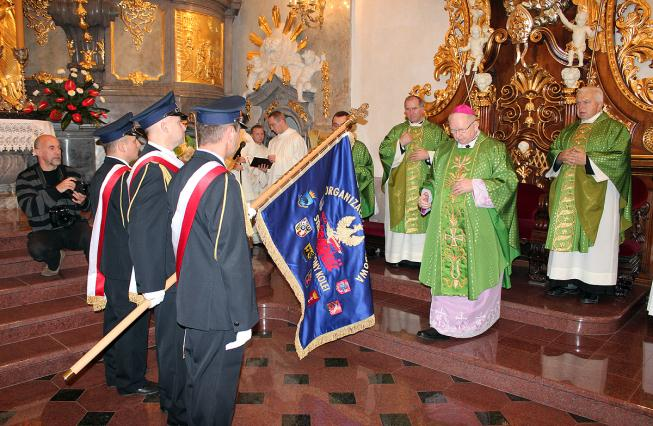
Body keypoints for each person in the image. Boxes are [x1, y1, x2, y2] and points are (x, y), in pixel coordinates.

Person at [168, 96, 258, 425]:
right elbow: (231, 256)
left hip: (192, 297)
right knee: (215, 395)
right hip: (219, 310)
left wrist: (238, 216)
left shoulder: (186, 171)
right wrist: (242, 319)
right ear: (230, 134)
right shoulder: (221, 181)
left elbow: (198, 235)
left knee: (197, 381)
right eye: (238, 131)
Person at [416, 104, 519, 340]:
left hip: (479, 228)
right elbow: (432, 179)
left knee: (477, 269)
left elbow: (509, 182)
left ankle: (475, 322)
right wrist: (427, 196)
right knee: (446, 271)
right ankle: (443, 324)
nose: (458, 135)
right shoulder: (443, 150)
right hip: (445, 229)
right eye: (453, 130)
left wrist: (476, 185)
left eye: (463, 129)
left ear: (476, 124)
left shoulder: (494, 149)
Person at [87, 113, 156, 396]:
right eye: (134, 141)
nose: (138, 147)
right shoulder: (126, 179)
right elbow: (136, 225)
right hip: (127, 264)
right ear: (124, 144)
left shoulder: (101, 174)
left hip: (110, 260)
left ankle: (114, 373)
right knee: (132, 323)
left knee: (114, 320)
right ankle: (131, 381)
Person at [129, 91, 187, 424]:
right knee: (172, 343)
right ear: (165, 125)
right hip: (166, 273)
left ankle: (176, 398)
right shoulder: (152, 167)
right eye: (179, 120)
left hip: (177, 268)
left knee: (178, 342)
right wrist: (152, 283)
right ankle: (175, 405)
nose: (183, 125)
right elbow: (145, 229)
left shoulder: (166, 161)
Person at [545, 86, 631, 304]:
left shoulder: (615, 129)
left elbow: (619, 158)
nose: (580, 107)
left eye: (586, 102)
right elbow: (553, 150)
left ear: (600, 104)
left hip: (599, 193)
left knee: (598, 236)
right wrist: (560, 156)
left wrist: (589, 160)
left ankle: (594, 285)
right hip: (567, 192)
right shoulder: (568, 131)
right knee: (566, 231)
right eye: (578, 103)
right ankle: (564, 280)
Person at [379, 95, 449, 266]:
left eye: (414, 108)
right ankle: (397, 256)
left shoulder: (436, 132)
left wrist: (429, 155)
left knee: (422, 218)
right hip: (399, 188)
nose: (411, 112)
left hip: (424, 185)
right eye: (407, 109)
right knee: (400, 219)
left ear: (423, 109)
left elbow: (448, 154)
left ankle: (420, 258)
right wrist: (400, 144)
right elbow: (383, 151)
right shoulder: (397, 131)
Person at [16, 134, 91, 276]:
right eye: (52, 148)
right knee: (37, 248)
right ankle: (55, 259)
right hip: (45, 230)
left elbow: (88, 206)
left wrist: (83, 202)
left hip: (72, 226)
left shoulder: (72, 173)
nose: (58, 152)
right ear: (36, 151)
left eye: (59, 148)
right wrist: (57, 190)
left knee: (91, 236)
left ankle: (97, 274)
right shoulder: (25, 178)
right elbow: (30, 209)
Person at [331, 111, 375, 219]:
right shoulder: (327, 147)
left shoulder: (359, 148)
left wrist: (347, 172)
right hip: (332, 201)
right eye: (335, 125)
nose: (338, 129)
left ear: (349, 127)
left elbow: (367, 173)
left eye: (342, 126)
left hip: (353, 200)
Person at [266, 110, 308, 185]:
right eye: (270, 126)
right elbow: (270, 171)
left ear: (281, 122)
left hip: (289, 185)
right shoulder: (272, 142)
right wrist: (265, 169)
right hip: (272, 185)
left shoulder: (296, 139)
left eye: (273, 125)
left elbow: (302, 164)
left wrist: (277, 160)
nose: (271, 129)